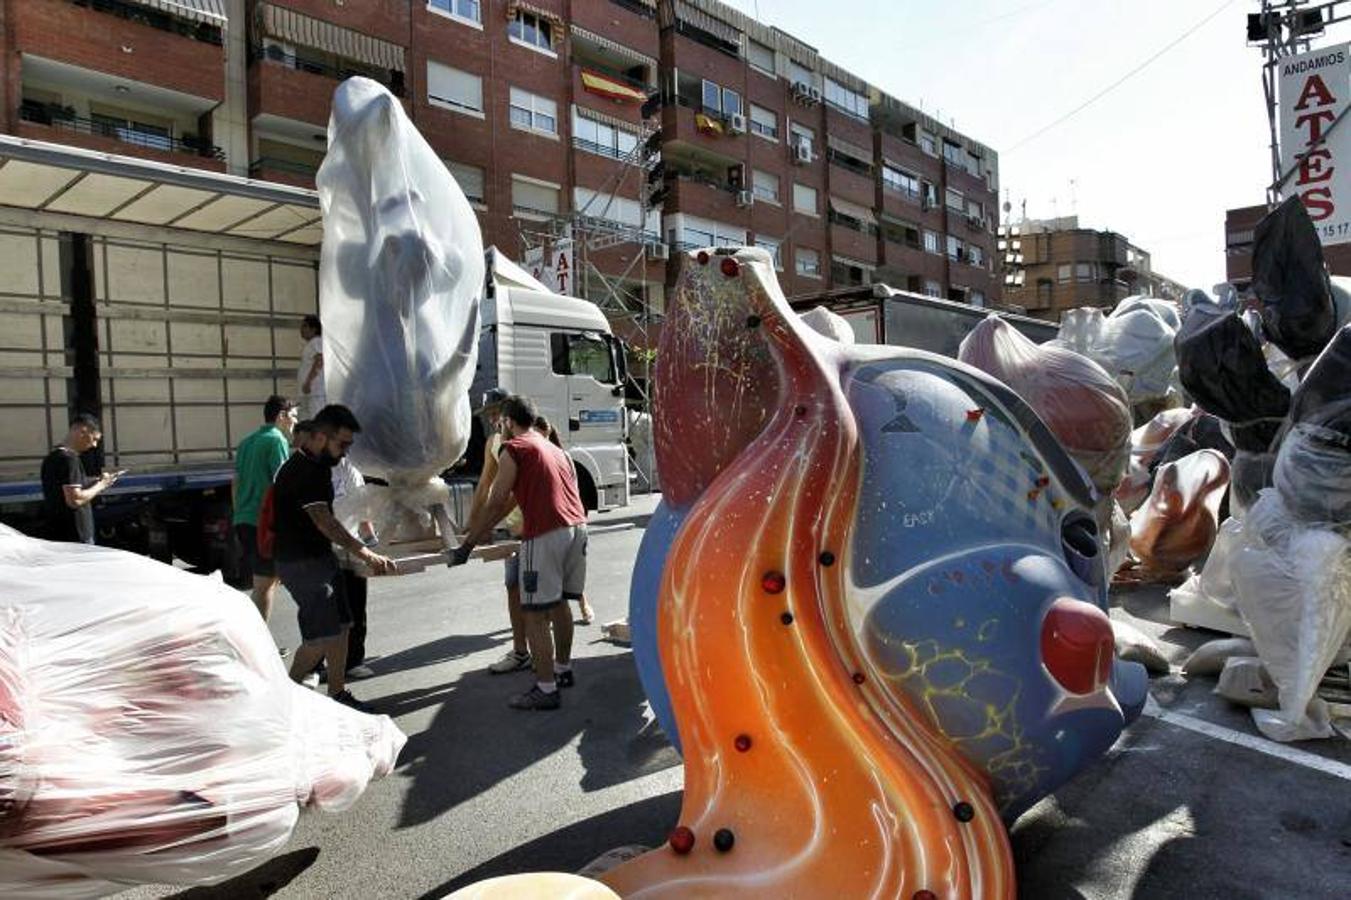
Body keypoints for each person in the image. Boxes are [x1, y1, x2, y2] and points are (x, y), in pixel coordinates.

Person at [454, 395, 587, 711]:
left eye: (501, 422)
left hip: (545, 535)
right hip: (577, 529)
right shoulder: (553, 449)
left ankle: (545, 689)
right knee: (559, 605)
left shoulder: (514, 448)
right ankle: (562, 671)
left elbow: (497, 498)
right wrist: (479, 533)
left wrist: (468, 543)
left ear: (509, 422)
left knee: (535, 615)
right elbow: (515, 499)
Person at [272, 404, 394, 712]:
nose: (344, 452)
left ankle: (338, 693)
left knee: (342, 625)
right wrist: (366, 553)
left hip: (320, 558)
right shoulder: (303, 471)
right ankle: (283, 700)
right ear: (319, 437)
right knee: (319, 638)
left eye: (349, 445)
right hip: (300, 563)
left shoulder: (319, 466)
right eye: (342, 444)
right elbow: (324, 521)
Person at [231, 395, 296, 621]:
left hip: (243, 519)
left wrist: (238, 511)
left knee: (265, 583)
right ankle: (260, 645)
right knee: (264, 586)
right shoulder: (276, 440)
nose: (294, 422)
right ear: (282, 416)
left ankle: (257, 641)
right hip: (262, 523)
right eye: (293, 416)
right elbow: (282, 484)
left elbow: (235, 482)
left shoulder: (247, 442)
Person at [533, 415, 595, 626]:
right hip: (563, 521)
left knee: (566, 572)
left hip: (564, 521)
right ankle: (560, 611)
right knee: (562, 571)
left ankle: (579, 605)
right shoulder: (547, 455)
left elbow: (573, 491)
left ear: (545, 433)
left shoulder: (558, 457)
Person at [40, 414, 119, 544]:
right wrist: (101, 485)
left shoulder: (52, 457)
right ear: (83, 431)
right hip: (75, 536)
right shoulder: (69, 459)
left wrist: (96, 481)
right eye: (94, 439)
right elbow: (75, 499)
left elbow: (66, 487)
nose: (94, 445)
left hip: (60, 533)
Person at [297, 315, 325, 419]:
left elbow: (319, 360)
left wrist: (309, 381)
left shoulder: (317, 341)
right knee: (306, 423)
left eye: (305, 326)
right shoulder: (310, 344)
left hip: (315, 392)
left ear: (314, 329)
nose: (301, 330)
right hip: (308, 393)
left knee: (316, 421)